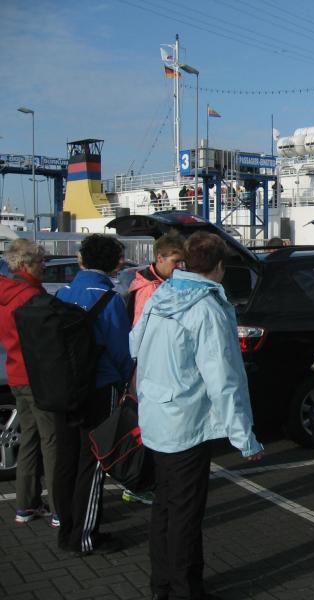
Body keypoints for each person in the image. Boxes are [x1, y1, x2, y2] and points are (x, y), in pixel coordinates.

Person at [130, 231, 264, 600]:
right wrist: (244, 437)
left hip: (157, 413)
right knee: (185, 513)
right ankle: (185, 589)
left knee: (165, 506)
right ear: (219, 266)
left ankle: (163, 585)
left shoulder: (162, 295)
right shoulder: (207, 307)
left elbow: (134, 344)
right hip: (185, 422)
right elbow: (223, 380)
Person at [54, 234, 134, 556]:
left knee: (66, 459)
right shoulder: (109, 298)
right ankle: (85, 536)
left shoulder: (62, 293)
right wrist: (128, 382)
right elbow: (121, 351)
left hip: (63, 387)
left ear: (82, 259)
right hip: (100, 387)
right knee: (95, 460)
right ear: (114, 263)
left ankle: (66, 527)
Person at [118, 229, 185, 506]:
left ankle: (140, 481)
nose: (180, 267)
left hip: (148, 370)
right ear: (160, 258)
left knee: (147, 426)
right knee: (147, 428)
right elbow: (141, 333)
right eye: (175, 261)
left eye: (182, 262)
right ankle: (137, 483)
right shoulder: (150, 289)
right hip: (148, 370)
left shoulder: (152, 282)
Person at [0, 240, 60, 528]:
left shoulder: (7, 294)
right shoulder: (31, 296)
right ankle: (60, 509)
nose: (44, 266)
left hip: (16, 374)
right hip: (38, 377)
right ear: (25, 265)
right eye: (40, 262)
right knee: (52, 441)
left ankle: (26, 504)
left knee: (29, 439)